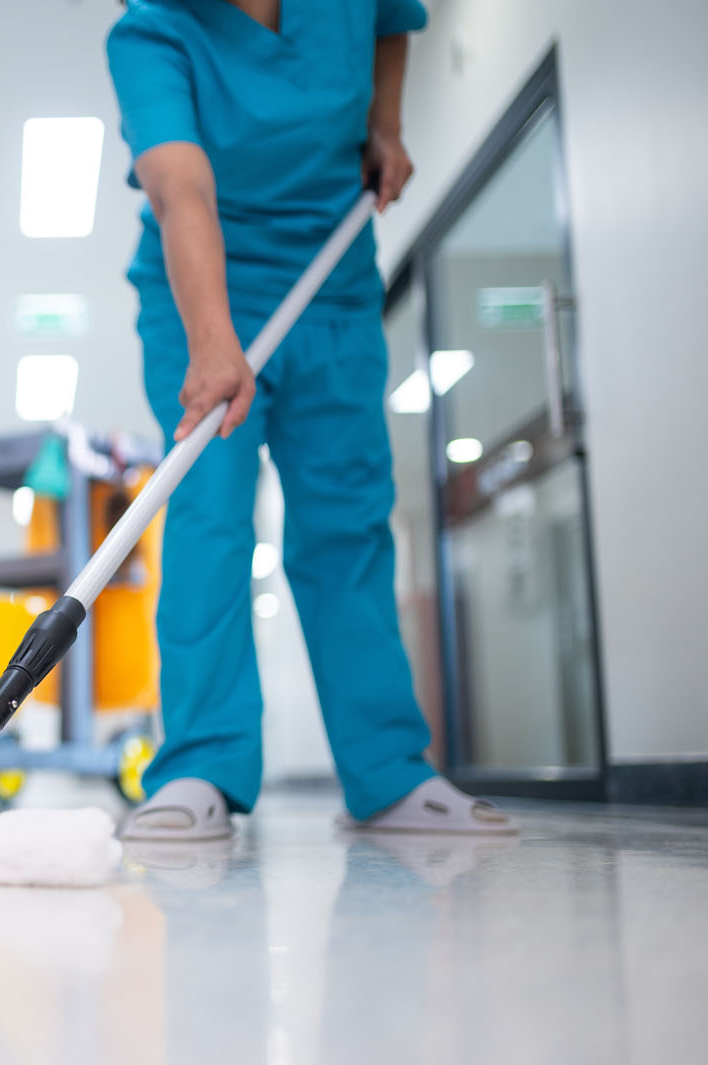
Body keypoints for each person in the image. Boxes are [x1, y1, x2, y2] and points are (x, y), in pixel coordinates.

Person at [105, 0, 515, 838]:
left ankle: (389, 773)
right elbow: (182, 191)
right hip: (202, 284)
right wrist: (216, 339)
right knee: (209, 514)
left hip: (331, 268)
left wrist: (387, 125)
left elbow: (392, 18)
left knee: (346, 518)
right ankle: (199, 767)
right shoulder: (151, 33)